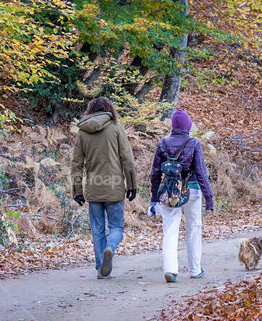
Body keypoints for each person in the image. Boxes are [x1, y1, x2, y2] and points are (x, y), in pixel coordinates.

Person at [71, 96, 137, 279]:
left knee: (97, 229)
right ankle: (110, 248)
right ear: (109, 109)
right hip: (114, 187)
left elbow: (76, 163)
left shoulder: (83, 132)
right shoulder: (116, 128)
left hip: (94, 188)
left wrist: (77, 190)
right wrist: (132, 185)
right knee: (116, 227)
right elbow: (127, 159)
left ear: (90, 110)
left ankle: (101, 268)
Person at [149, 108, 214, 283]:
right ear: (188, 126)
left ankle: (170, 270)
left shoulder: (163, 143)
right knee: (194, 228)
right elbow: (201, 172)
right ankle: (195, 269)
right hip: (192, 190)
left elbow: (155, 173)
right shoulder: (193, 144)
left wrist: (154, 198)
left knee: (170, 230)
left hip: (169, 192)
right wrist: (209, 198)